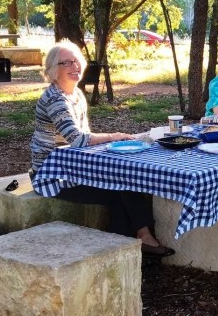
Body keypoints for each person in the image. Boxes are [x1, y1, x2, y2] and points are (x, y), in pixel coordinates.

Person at [29, 41, 174, 257]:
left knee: (124, 179)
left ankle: (134, 247)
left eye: (76, 61)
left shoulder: (75, 95)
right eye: (66, 63)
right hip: (52, 174)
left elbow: (84, 142)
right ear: (53, 71)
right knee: (117, 188)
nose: (74, 66)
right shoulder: (55, 99)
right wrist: (114, 137)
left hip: (74, 166)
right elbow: (78, 139)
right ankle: (127, 250)